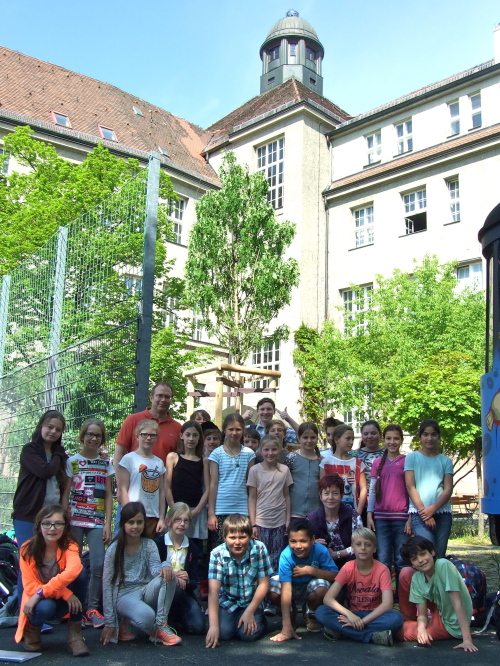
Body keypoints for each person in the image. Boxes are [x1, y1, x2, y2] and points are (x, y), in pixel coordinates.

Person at [101, 501, 181, 647]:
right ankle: (127, 619)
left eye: (139, 522)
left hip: (145, 590)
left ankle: (161, 626)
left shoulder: (149, 544)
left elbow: (156, 570)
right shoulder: (114, 549)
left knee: (169, 576)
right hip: (124, 596)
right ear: (123, 523)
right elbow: (107, 585)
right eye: (131, 522)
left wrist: (166, 565)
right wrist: (110, 622)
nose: (135, 526)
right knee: (147, 617)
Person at [15, 504, 89, 656]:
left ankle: (75, 633)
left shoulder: (71, 545)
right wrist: (65, 593)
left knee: (81, 574)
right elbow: (29, 586)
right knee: (45, 607)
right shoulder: (26, 549)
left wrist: (43, 592)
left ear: (65, 527)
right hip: (38, 602)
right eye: (47, 523)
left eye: (58, 524)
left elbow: (73, 570)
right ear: (39, 525)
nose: (52, 528)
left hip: (61, 603)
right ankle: (32, 629)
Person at [62, 418, 114, 629]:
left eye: (98, 435)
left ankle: (91, 609)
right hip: (74, 519)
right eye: (90, 434)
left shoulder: (105, 464)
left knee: (98, 563)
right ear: (82, 436)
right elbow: (66, 493)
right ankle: (72, 608)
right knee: (72, 565)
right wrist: (64, 521)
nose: (93, 438)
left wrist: (108, 523)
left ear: (102, 439)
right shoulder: (72, 462)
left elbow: (110, 495)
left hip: (96, 520)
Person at [316, 527, 403, 646]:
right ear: (352, 548)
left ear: (374, 549)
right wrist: (350, 616)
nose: (363, 548)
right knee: (321, 612)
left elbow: (387, 604)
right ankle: (371, 636)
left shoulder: (382, 570)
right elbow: (328, 599)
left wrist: (362, 621)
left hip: (374, 615)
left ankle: (343, 632)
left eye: (368, 545)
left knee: (396, 618)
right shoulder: (348, 567)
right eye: (358, 544)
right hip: (352, 614)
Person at [113, 383, 181, 532]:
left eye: (167, 397)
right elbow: (119, 453)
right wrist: (119, 485)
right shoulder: (133, 420)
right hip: (131, 492)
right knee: (123, 537)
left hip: (156, 496)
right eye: (159, 396)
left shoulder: (177, 428)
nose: (163, 400)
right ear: (151, 397)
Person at [398, 536, 478, 652]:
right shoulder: (417, 578)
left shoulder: (443, 565)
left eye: (423, 554)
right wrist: (421, 628)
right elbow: (422, 614)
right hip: (440, 610)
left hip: (451, 623)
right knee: (405, 573)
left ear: (432, 552)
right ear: (412, 564)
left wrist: (467, 640)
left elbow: (457, 604)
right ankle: (410, 621)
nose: (421, 560)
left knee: (400, 631)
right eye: (415, 558)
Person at [205, 514, 273, 647]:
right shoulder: (217, 554)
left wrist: (249, 611)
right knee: (224, 633)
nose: (237, 542)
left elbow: (264, 584)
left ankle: (259, 619)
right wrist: (213, 627)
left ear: (250, 536)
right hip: (228, 601)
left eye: (242, 537)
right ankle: (229, 620)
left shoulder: (259, 549)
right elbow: (213, 592)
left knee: (248, 635)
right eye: (232, 538)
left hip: (251, 601)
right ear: (224, 538)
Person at [268, 517, 338, 639]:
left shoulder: (321, 551)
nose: (298, 546)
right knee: (270, 587)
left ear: (312, 540)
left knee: (322, 587)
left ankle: (310, 613)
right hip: (292, 588)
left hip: (310, 587)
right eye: (293, 541)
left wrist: (311, 570)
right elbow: (286, 589)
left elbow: (335, 576)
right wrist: (286, 627)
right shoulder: (286, 555)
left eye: (303, 541)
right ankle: (290, 615)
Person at [12, 410, 68, 558]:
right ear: (41, 426)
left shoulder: (61, 456)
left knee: (48, 560)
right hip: (28, 513)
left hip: (52, 516)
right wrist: (58, 453)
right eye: (50, 427)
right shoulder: (30, 450)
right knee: (28, 559)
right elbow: (45, 471)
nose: (53, 431)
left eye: (58, 429)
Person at [367, 424, 410, 589]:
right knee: (383, 559)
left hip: (401, 518)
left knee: (401, 560)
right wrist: (370, 514)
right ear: (384, 440)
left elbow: (411, 489)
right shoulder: (377, 462)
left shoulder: (407, 461)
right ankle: (385, 595)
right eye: (389, 438)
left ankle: (402, 596)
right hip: (381, 518)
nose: (392, 442)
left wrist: (411, 517)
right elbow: (372, 490)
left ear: (401, 440)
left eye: (396, 438)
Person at [404, 419, 453, 558]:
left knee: (440, 555)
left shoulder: (445, 461)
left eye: (433, 435)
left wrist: (433, 508)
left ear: (438, 436)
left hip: (442, 513)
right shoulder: (412, 458)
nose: (429, 438)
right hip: (419, 513)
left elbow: (447, 489)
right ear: (420, 436)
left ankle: (441, 580)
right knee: (427, 554)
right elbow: (410, 485)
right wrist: (424, 512)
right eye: (425, 434)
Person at [156, 503, 205, 635]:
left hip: (184, 593)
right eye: (178, 520)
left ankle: (177, 618)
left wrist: (187, 579)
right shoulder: (159, 544)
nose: (182, 524)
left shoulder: (192, 548)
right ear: (168, 521)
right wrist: (174, 576)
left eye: (186, 521)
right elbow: (152, 573)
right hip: (162, 592)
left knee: (198, 627)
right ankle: (166, 619)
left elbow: (195, 581)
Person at [207, 414, 255, 549]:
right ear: (224, 430)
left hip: (242, 509)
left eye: (238, 429)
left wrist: (252, 517)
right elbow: (213, 484)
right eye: (231, 429)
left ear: (243, 431)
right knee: (219, 549)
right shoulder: (217, 454)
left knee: (240, 547)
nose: (234, 433)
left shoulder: (249, 454)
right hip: (221, 509)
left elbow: (251, 487)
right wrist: (211, 514)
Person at [247, 435, 292, 572]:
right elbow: (252, 497)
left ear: (279, 450)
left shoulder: (284, 470)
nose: (270, 453)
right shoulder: (254, 470)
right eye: (266, 450)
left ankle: (274, 586)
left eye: (274, 449)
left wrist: (287, 519)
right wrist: (253, 523)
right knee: (260, 555)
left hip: (279, 521)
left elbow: (287, 496)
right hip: (261, 521)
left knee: (277, 556)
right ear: (261, 451)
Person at [117, 420, 166, 539]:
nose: (148, 438)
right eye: (145, 434)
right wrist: (129, 515)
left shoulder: (159, 462)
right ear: (137, 437)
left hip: (152, 516)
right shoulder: (129, 459)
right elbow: (122, 489)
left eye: (152, 435)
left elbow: (161, 492)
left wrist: (161, 518)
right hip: (133, 516)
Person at [165, 420, 209, 545]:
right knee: (174, 544)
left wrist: (197, 510)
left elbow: (207, 488)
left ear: (200, 438)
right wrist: (174, 508)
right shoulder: (173, 457)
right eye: (188, 434)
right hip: (176, 509)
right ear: (181, 436)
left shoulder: (204, 460)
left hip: (195, 510)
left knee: (195, 547)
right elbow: (167, 486)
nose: (191, 439)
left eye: (195, 435)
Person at [307, 474, 362, 569]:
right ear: (320, 496)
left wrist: (337, 554)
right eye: (326, 493)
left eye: (335, 493)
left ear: (342, 495)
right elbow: (302, 544)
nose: (330, 497)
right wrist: (312, 544)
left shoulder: (353, 516)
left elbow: (361, 544)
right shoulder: (311, 518)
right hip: (320, 566)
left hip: (350, 565)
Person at [320, 424, 367, 515]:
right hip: (331, 513)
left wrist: (358, 512)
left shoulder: (358, 463)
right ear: (336, 440)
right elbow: (321, 488)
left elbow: (363, 489)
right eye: (348, 439)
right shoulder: (326, 463)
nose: (351, 442)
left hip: (352, 510)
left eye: (352, 439)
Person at [283, 422, 321, 518]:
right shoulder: (291, 458)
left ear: (317, 438)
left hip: (315, 512)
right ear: (299, 438)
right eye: (305, 437)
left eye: (313, 437)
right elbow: (284, 485)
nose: (309, 441)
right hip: (294, 512)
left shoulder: (321, 460)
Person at [352, 420, 385, 484]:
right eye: (366, 434)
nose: (369, 436)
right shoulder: (353, 455)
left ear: (380, 434)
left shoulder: (388, 454)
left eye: (373, 433)